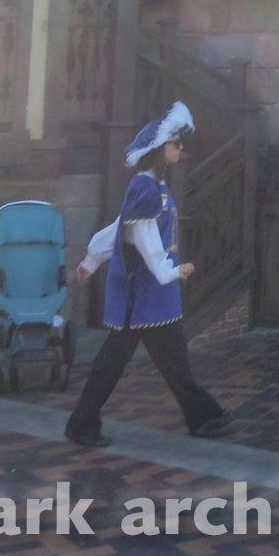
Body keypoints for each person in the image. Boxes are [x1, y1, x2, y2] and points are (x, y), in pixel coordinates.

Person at [66, 103, 234, 448]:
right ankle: (81, 424)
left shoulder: (154, 185)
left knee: (174, 359)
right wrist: (167, 270)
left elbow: (120, 226)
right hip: (140, 293)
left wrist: (92, 259)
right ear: (159, 149)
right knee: (113, 363)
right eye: (175, 143)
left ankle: (204, 417)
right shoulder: (145, 187)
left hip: (153, 294)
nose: (180, 147)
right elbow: (139, 235)